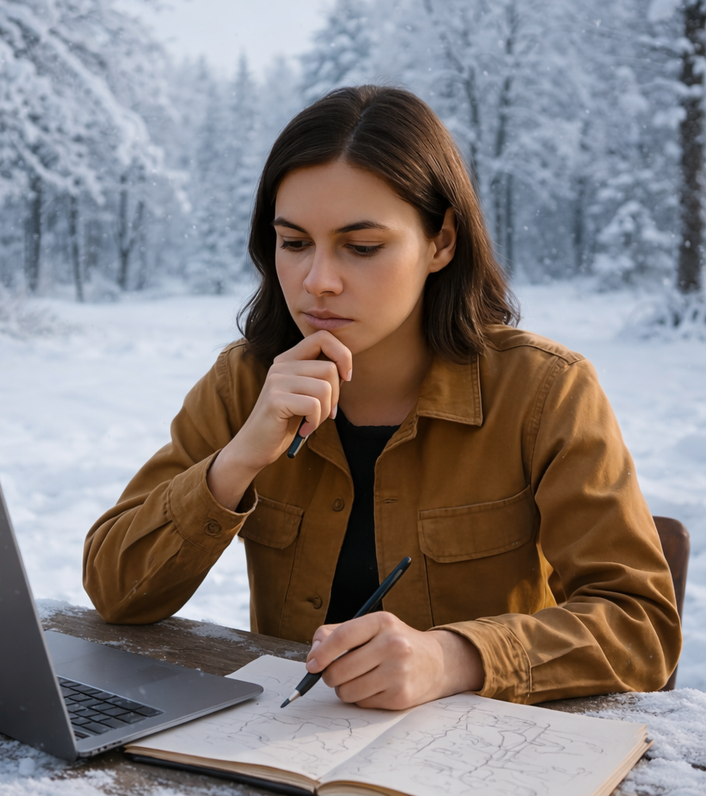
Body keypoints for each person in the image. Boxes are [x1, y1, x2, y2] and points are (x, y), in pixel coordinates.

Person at [83, 85, 681, 709]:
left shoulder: (545, 391)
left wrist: (455, 657)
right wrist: (236, 461)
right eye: (294, 243)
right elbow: (116, 590)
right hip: (283, 751)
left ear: (442, 242)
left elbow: (640, 629)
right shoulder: (244, 382)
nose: (318, 281)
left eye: (362, 247)